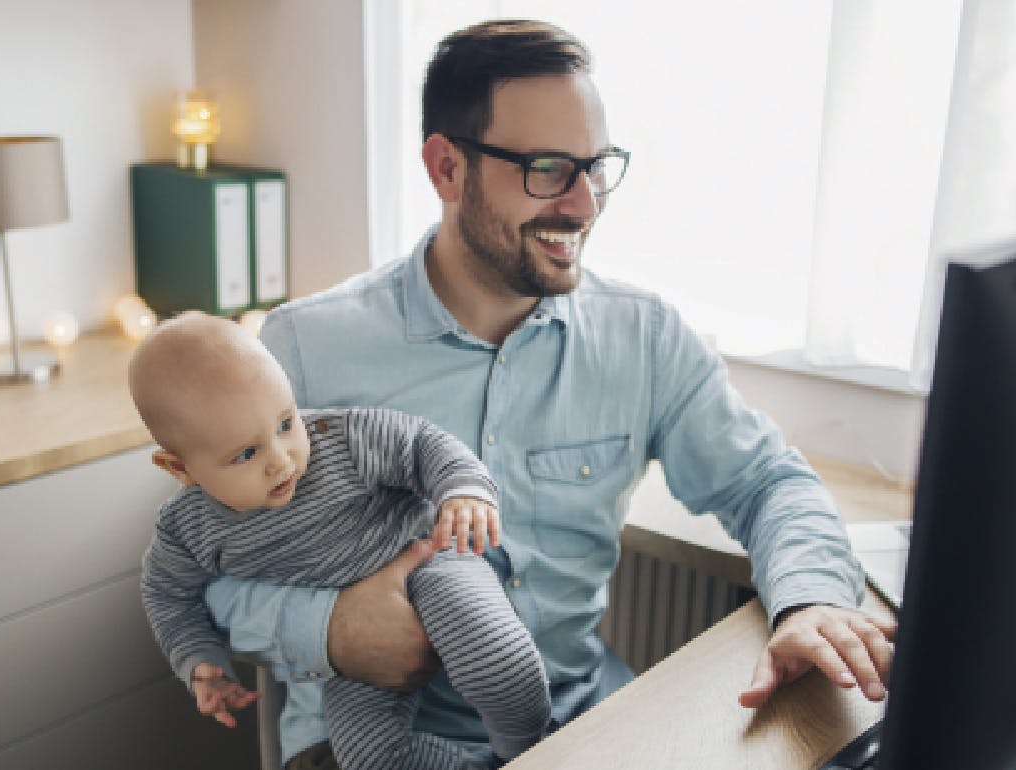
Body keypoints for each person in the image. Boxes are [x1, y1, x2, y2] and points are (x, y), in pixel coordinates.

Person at [208, 19, 896, 769]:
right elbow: (208, 573)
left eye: (595, 167)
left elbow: (768, 483)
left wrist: (812, 599)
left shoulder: (645, 337)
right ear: (446, 168)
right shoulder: (305, 350)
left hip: (575, 721)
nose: (584, 204)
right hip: (371, 741)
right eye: (546, 168)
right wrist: (330, 627)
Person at [134, 311, 551, 769]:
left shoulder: (342, 439)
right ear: (180, 469)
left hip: (426, 559)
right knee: (366, 758)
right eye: (247, 454)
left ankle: (532, 753)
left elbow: (422, 445)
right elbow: (168, 594)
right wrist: (198, 661)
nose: (282, 460)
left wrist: (463, 491)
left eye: (285, 423)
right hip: (353, 640)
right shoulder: (187, 529)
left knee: (499, 662)